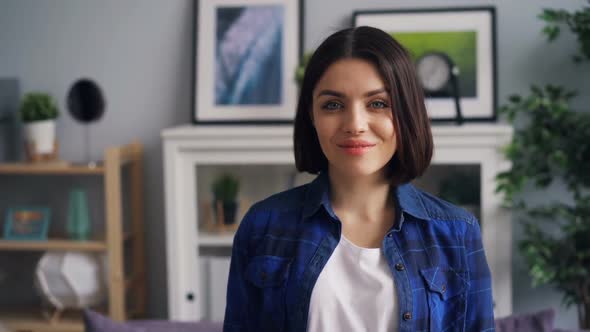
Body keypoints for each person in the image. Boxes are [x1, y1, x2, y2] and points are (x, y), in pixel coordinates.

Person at [223, 26, 495, 332]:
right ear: (312, 115)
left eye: (378, 103)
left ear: (405, 112)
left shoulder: (457, 232)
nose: (355, 124)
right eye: (333, 105)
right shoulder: (263, 225)